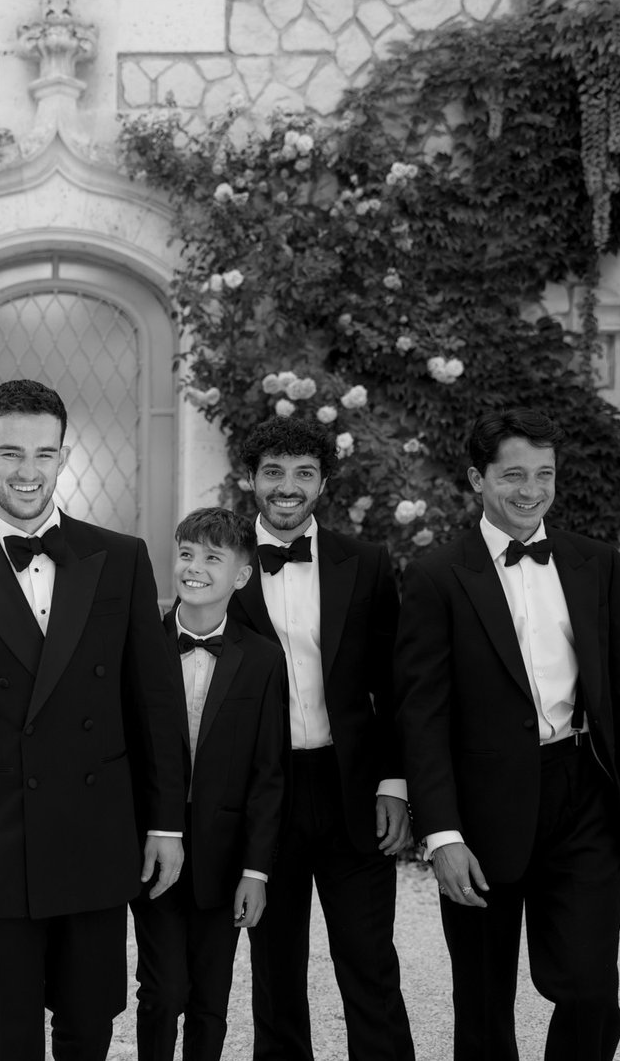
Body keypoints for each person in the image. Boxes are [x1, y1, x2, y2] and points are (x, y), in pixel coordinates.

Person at [0, 378, 190, 1061]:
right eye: (11, 454)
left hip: (94, 833)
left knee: (88, 1032)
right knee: (2, 1041)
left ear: (63, 457)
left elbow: (153, 703)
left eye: (44, 454)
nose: (28, 473)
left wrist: (166, 822)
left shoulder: (119, 559)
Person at [394, 407, 620, 1061]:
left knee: (589, 987)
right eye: (513, 475)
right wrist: (442, 833)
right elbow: (421, 714)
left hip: (581, 795)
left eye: (543, 475)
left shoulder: (595, 564)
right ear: (476, 479)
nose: (530, 490)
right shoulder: (438, 575)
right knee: (484, 1006)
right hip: (481, 806)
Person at [230, 416, 416, 1061]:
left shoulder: (363, 563)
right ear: (249, 480)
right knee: (275, 969)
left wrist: (395, 782)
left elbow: (397, 685)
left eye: (303, 473)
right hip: (263, 796)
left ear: (323, 483)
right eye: (274, 473)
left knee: (369, 961)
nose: (288, 487)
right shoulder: (222, 565)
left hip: (352, 788)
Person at [132, 507, 286, 1061]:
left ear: (241, 575)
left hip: (225, 855)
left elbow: (269, 774)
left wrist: (256, 870)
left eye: (213, 558)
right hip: (153, 844)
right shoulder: (139, 644)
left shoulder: (264, 660)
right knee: (163, 989)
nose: (194, 568)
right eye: (187, 554)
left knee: (211, 997)